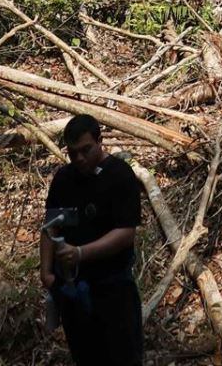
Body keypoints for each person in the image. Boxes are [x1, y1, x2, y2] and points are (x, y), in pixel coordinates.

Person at [41, 113, 143, 366]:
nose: (79, 159)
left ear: (100, 141)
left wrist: (80, 253)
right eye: (73, 153)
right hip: (73, 291)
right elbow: (50, 226)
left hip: (113, 289)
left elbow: (125, 232)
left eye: (85, 150)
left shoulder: (119, 176)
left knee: (123, 356)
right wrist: (46, 272)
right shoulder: (65, 179)